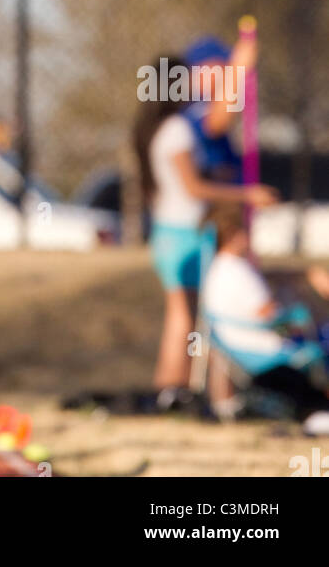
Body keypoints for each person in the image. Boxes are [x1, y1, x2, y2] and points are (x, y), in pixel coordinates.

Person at [133, 42, 278, 411]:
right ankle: (175, 389)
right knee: (187, 315)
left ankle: (184, 391)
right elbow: (196, 180)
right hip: (182, 232)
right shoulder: (179, 128)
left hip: (175, 231)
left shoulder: (161, 128)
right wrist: (239, 71)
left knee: (190, 314)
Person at [202, 201, 329, 432]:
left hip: (242, 346)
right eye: (248, 229)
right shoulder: (238, 272)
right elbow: (268, 314)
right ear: (235, 234)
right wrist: (296, 314)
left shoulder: (220, 269)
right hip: (265, 352)